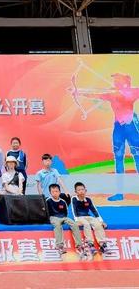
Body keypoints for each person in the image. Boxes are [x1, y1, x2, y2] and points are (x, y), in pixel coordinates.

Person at [77, 72, 139, 201]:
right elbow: (95, 94)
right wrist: (78, 92)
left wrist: (121, 92)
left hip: (131, 127)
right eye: (114, 80)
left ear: (125, 82)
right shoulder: (111, 93)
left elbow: (129, 94)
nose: (115, 82)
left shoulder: (132, 92)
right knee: (118, 159)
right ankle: (120, 193)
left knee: (137, 157)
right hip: (119, 128)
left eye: (117, 80)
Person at [46, 184, 86, 257]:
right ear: (50, 193)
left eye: (56, 191)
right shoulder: (48, 201)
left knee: (74, 224)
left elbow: (65, 212)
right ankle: (60, 246)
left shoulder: (63, 201)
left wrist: (65, 219)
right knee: (57, 225)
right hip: (53, 217)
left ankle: (79, 246)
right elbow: (46, 212)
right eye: (53, 192)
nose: (55, 193)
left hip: (63, 217)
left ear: (59, 192)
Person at [72, 182, 109, 254]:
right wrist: (76, 220)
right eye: (79, 190)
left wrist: (101, 221)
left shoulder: (88, 199)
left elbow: (94, 210)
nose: (81, 191)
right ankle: (90, 244)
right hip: (79, 217)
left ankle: (102, 244)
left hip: (88, 216)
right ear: (76, 192)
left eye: (82, 189)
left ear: (85, 190)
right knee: (86, 224)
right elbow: (74, 210)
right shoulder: (74, 199)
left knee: (98, 224)